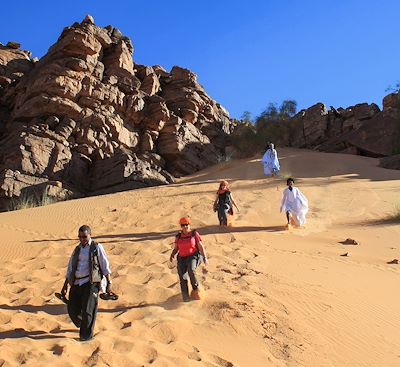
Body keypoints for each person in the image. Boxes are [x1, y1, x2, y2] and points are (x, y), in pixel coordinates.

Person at [60, 225, 113, 341]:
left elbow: (105, 265)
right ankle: (82, 323)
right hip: (76, 282)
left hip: (91, 282)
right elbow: (70, 267)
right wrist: (65, 284)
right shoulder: (77, 249)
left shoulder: (96, 247)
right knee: (72, 309)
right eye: (80, 237)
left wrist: (109, 283)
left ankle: (86, 338)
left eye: (84, 236)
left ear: (90, 235)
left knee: (88, 310)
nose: (82, 239)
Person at [169, 217, 208, 302]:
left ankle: (196, 289)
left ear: (189, 225)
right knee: (182, 277)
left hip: (193, 256)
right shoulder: (179, 236)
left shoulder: (194, 234)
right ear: (181, 226)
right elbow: (176, 248)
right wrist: (172, 254)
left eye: (186, 224)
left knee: (191, 269)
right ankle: (185, 298)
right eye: (183, 225)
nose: (185, 227)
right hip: (182, 258)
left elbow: (200, 246)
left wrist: (205, 257)